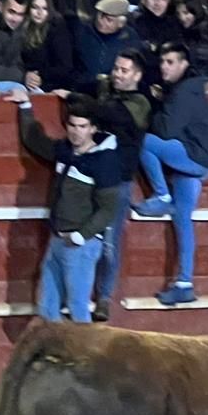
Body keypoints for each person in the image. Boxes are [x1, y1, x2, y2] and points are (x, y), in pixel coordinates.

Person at [9, 91, 121, 322]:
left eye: (82, 126)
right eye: (72, 125)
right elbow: (35, 141)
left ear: (93, 129)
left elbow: (109, 209)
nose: (75, 131)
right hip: (58, 239)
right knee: (48, 308)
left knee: (78, 306)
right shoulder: (65, 151)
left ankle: (88, 358)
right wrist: (25, 105)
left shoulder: (104, 161)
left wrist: (82, 236)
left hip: (82, 244)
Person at [133, 43, 208, 306]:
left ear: (183, 65)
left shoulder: (184, 91)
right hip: (196, 160)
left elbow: (165, 131)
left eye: (171, 62)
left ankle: (161, 194)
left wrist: (159, 104)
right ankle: (184, 283)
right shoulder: (186, 90)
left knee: (144, 141)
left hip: (193, 157)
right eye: (163, 62)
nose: (164, 67)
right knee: (183, 219)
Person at [91, 47, 151, 321]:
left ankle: (103, 297)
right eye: (116, 68)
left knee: (109, 245)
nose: (117, 74)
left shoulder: (140, 103)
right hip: (95, 177)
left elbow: (110, 115)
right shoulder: (112, 96)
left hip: (118, 182)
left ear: (137, 75)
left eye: (124, 70)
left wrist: (77, 99)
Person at [75, 0, 144, 90]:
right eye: (100, 16)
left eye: (109, 20)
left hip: (114, 92)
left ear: (121, 23)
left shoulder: (131, 39)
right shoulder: (82, 31)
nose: (101, 21)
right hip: (81, 89)